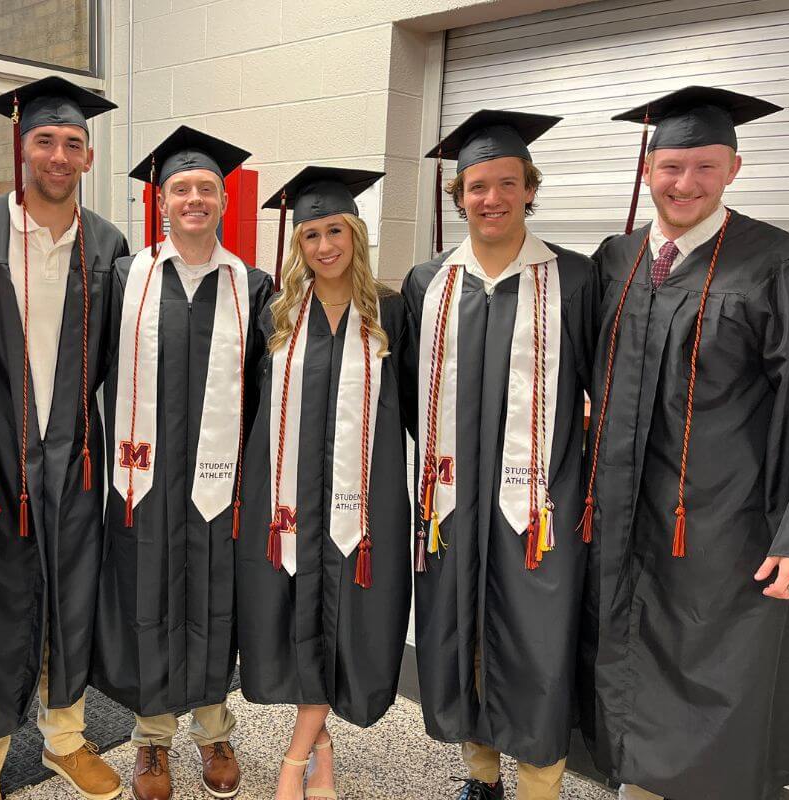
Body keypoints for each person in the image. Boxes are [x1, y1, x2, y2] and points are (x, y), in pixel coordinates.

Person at [579, 86, 789, 800]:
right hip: (623, 518)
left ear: (735, 167)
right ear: (647, 169)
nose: (686, 183)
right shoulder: (616, 258)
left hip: (725, 527)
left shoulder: (783, 264)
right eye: (672, 166)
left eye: (706, 166)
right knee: (624, 666)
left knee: (715, 690)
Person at [0, 76, 128, 800]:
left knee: (71, 597)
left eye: (72, 143)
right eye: (45, 139)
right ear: (22, 147)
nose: (58, 153)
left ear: (87, 156)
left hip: (73, 454)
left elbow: (118, 357)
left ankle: (65, 741)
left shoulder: (108, 244)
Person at [402, 110, 598, 800]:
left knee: (536, 643)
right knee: (458, 636)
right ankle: (480, 777)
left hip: (538, 506)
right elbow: (410, 402)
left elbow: (600, 386)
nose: (491, 198)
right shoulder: (429, 285)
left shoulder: (573, 278)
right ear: (458, 197)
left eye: (506, 183)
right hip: (452, 506)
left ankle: (540, 783)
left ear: (529, 189)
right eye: (476, 186)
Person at [94, 125, 272, 800]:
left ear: (223, 200)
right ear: (160, 201)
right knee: (151, 600)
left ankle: (213, 727)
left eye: (205, 189)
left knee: (215, 601)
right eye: (180, 189)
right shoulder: (126, 278)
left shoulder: (251, 285)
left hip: (218, 483)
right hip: (143, 479)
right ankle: (152, 740)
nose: (193, 199)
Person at [236, 167, 414, 800]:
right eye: (309, 235)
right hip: (286, 495)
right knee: (296, 617)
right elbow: (254, 403)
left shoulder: (392, 310)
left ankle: (294, 759)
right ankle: (320, 754)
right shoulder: (278, 313)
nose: (323, 246)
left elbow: (419, 403)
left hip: (364, 498)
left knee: (347, 623)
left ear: (355, 233)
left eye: (334, 230)